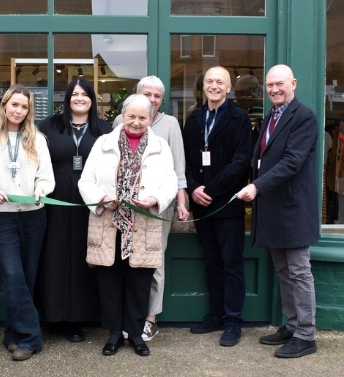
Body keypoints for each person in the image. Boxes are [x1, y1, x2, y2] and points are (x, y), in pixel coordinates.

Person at [79, 94, 178, 357]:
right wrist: (101, 199)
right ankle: (113, 333)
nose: (135, 122)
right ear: (122, 116)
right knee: (109, 280)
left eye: (142, 117)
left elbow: (170, 182)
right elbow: (85, 181)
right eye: (130, 116)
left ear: (150, 118)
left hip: (143, 222)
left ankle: (135, 334)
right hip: (108, 221)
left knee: (139, 281)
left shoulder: (160, 146)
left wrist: (155, 199)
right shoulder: (103, 143)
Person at [236, 64, 319, 358]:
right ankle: (292, 325)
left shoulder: (304, 117)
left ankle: (306, 335)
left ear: (293, 83)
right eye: (270, 85)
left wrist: (256, 187)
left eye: (279, 84)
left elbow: (292, 162)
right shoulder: (272, 116)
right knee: (283, 271)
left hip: (293, 207)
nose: (274, 90)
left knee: (299, 272)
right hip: (273, 207)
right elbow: (263, 159)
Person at [0, 85, 55, 361]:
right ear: (4, 105)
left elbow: (46, 176)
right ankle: (31, 337)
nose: (19, 110)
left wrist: (42, 189)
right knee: (12, 275)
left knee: (27, 276)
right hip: (1, 217)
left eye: (24, 107)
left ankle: (13, 334)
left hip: (33, 216)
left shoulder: (38, 140)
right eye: (14, 105)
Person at [37, 78, 112, 343]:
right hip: (55, 200)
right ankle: (52, 314)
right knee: (54, 256)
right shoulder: (48, 126)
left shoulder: (105, 129)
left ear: (93, 98)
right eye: (74, 94)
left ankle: (77, 319)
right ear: (66, 98)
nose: (79, 98)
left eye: (85, 94)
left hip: (89, 201)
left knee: (83, 258)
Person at [114, 76, 188, 341]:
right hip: (125, 205)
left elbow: (178, 169)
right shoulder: (121, 120)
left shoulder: (170, 125)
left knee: (153, 261)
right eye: (148, 94)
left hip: (157, 206)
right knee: (125, 260)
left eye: (158, 96)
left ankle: (150, 318)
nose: (153, 100)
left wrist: (180, 203)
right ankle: (126, 317)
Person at [184, 66, 252, 346]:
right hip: (201, 205)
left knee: (231, 264)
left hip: (228, 204)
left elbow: (240, 163)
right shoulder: (194, 118)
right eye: (209, 81)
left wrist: (209, 190)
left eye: (219, 82)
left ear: (228, 87)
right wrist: (192, 188)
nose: (214, 85)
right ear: (203, 87)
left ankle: (233, 321)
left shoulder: (239, 119)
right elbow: (184, 160)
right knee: (212, 264)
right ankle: (214, 315)